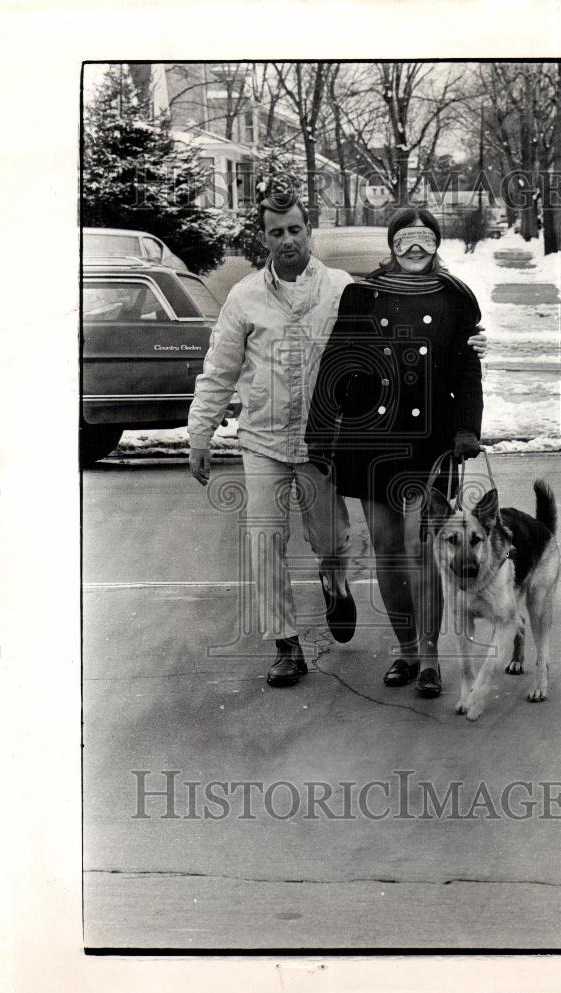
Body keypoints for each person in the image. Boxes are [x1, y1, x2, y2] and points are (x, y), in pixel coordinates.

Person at [305, 207, 484, 699]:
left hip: (432, 441)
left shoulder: (454, 299)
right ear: (392, 245)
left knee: (421, 548)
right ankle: (405, 651)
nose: (414, 249)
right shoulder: (362, 295)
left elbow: (468, 368)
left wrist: (467, 427)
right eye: (405, 240)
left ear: (436, 244)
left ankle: (429, 657)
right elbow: (337, 364)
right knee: (386, 546)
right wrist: (322, 431)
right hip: (371, 437)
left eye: (424, 239)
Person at [188, 188, 358, 688]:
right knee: (264, 540)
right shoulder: (244, 297)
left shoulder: (342, 289)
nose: (286, 240)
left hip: (322, 442)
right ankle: (286, 645)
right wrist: (200, 432)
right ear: (263, 239)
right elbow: (218, 369)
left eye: (295, 230)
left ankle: (334, 582)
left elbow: (375, 356)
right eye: (276, 232)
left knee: (331, 539)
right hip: (263, 439)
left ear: (310, 231)